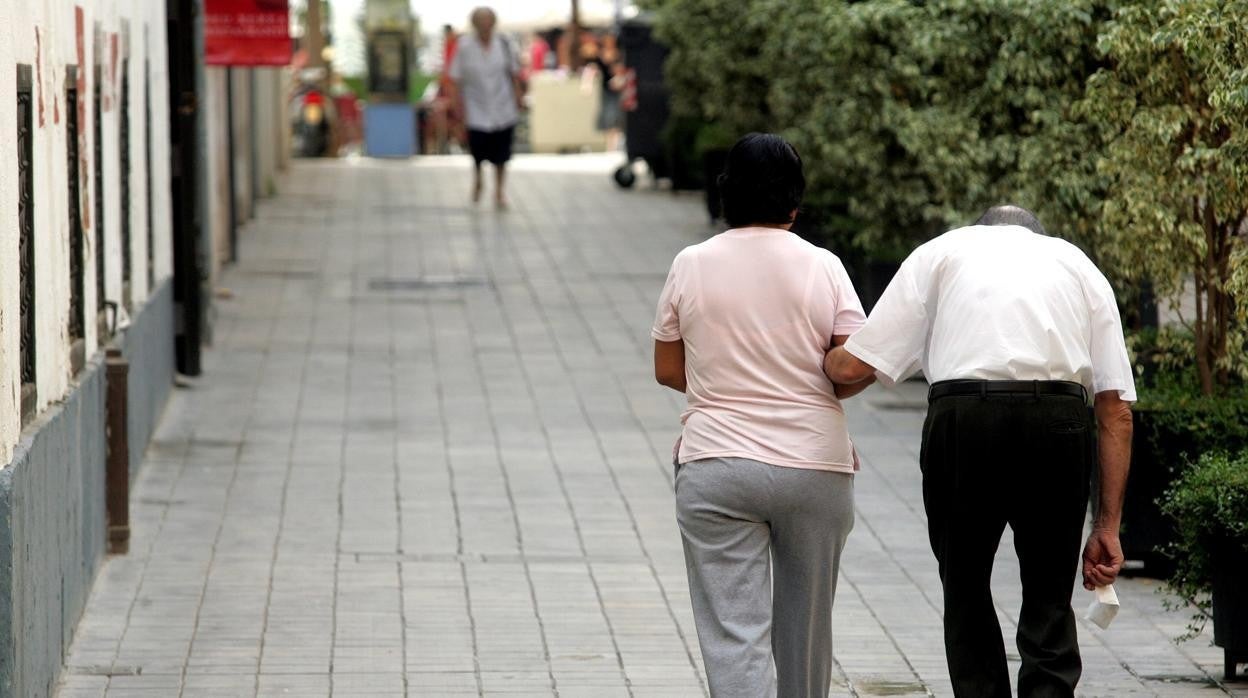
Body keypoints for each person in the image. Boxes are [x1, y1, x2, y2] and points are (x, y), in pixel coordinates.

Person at [823, 205, 1135, 697]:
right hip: (1056, 420)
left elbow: (853, 367)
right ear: (1036, 235)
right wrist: (1107, 527)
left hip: (965, 418)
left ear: (979, 228)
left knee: (965, 587)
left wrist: (798, 347)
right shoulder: (1077, 265)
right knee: (1050, 595)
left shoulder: (941, 252)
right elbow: (1115, 411)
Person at [652, 133, 871, 697]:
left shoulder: (690, 263)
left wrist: (721, 381)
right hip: (815, 467)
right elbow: (852, 368)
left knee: (734, 635)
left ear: (725, 195)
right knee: (805, 635)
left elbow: (668, 369)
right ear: (794, 203)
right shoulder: (825, 267)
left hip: (716, 465)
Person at [447, 7, 524, 208]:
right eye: (481, 21)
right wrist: (457, 106)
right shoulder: (464, 46)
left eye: (488, 21)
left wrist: (518, 97)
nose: (485, 26)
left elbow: (514, 74)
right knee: (478, 149)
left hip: (502, 104)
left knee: (502, 152)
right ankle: (478, 179)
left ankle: (499, 191)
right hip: (476, 106)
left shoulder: (505, 44)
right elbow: (455, 78)